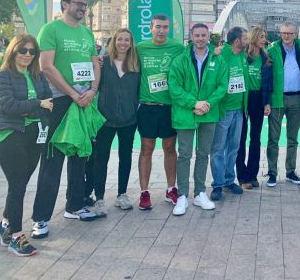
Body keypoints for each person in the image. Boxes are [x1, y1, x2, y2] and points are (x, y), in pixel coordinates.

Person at [31, 0, 101, 239]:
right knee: (53, 160)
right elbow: (46, 67)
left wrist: (92, 90)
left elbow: (95, 63)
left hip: (84, 101)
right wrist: (72, 94)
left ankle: (75, 205)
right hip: (60, 101)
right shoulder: (50, 30)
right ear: (65, 5)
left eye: (85, 5)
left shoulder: (87, 33)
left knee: (80, 155)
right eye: (79, 4)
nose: (83, 8)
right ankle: (40, 218)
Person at [0, 34, 53, 256]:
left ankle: (4, 225)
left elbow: (50, 103)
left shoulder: (38, 75)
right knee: (17, 186)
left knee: (19, 185)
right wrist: (36, 104)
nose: (27, 55)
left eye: (32, 51)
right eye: (23, 50)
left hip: (34, 135)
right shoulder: (3, 76)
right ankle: (16, 236)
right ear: (13, 51)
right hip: (10, 136)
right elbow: (8, 105)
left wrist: (31, 108)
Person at [169, 23, 228, 215]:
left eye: (204, 35)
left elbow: (222, 85)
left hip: (208, 113)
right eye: (197, 35)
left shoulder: (218, 61)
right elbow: (174, 87)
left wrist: (207, 104)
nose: (201, 38)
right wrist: (194, 103)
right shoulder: (180, 60)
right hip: (186, 113)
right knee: (184, 154)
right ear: (191, 37)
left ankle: (200, 193)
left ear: (208, 36)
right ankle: (183, 195)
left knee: (203, 154)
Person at [135, 14, 184, 210]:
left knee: (170, 149)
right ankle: (144, 192)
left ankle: (171, 188)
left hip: (169, 108)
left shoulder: (177, 47)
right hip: (147, 107)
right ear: (151, 28)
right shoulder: (140, 48)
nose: (161, 30)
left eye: (165, 27)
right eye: (158, 27)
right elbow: (120, 57)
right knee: (146, 149)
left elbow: (198, 52)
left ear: (169, 29)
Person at [93, 28, 140, 215]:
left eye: (126, 40)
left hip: (129, 119)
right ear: (114, 41)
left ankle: (122, 194)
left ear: (131, 43)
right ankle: (99, 198)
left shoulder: (136, 64)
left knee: (125, 157)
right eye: (120, 39)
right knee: (101, 158)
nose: (123, 43)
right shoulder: (103, 63)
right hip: (105, 119)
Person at [266, 22, 300, 186]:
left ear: (295, 34)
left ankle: (290, 171)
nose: (286, 36)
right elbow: (266, 77)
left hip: (297, 98)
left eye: (290, 33)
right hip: (277, 99)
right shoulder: (271, 51)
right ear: (280, 33)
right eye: (284, 33)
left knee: (293, 138)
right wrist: (266, 101)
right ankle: (272, 173)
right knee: (273, 139)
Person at [210, 27, 249, 201]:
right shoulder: (221, 54)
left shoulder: (242, 55)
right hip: (223, 110)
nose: (247, 41)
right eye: (245, 38)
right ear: (236, 40)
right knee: (218, 148)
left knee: (234, 147)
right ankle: (217, 184)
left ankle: (228, 180)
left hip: (239, 109)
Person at [236, 27, 273, 189]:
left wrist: (267, 103)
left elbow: (268, 83)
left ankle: (253, 174)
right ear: (253, 37)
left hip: (258, 99)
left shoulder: (266, 57)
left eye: (265, 37)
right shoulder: (243, 56)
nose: (264, 39)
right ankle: (242, 176)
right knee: (240, 138)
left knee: (256, 138)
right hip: (243, 98)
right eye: (261, 36)